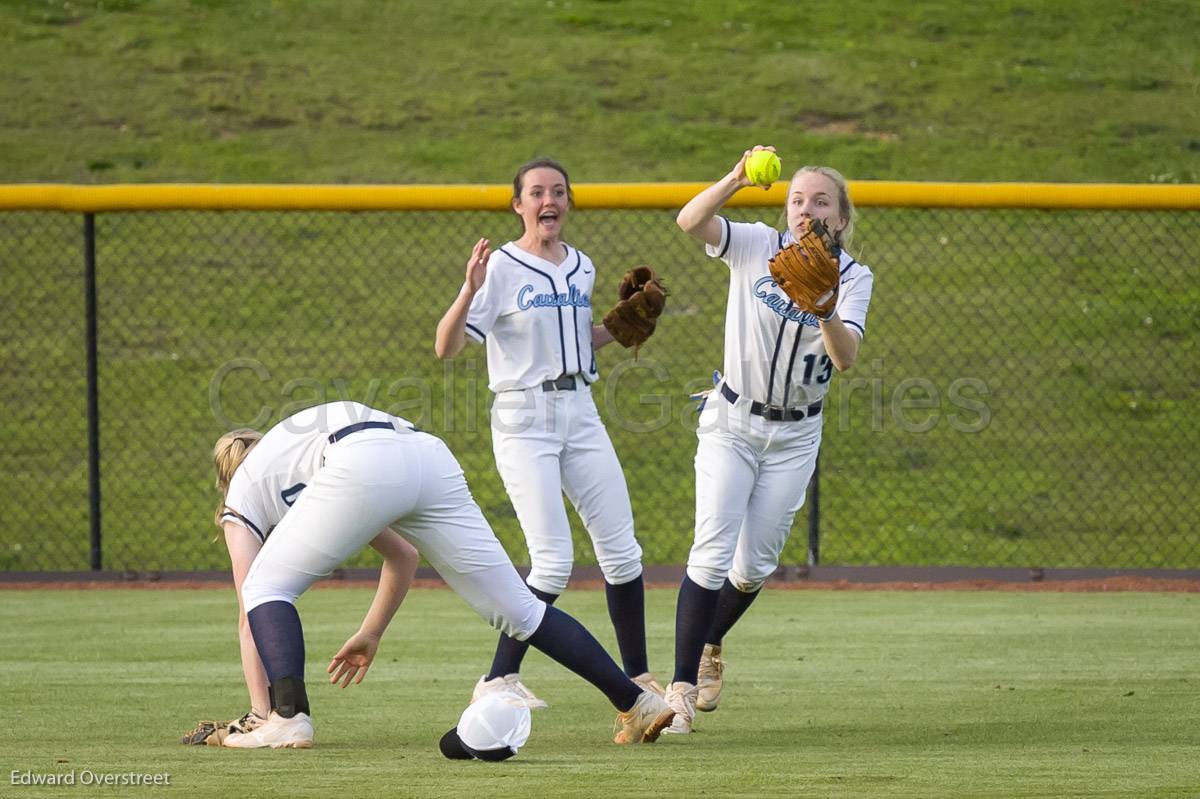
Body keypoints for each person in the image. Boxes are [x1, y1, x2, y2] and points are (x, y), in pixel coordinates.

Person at [208, 400, 673, 748]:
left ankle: (287, 717)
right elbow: (404, 556)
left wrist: (261, 711)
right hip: (425, 454)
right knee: (520, 610)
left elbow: (252, 611)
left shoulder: (243, 495)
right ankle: (637, 701)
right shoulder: (291, 462)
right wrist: (371, 632)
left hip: (359, 459)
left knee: (266, 587)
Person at [435, 158, 663, 708]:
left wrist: (620, 327)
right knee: (553, 559)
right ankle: (497, 679)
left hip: (580, 410)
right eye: (535, 192)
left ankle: (640, 681)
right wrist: (469, 289)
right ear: (518, 206)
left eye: (557, 191)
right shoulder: (501, 269)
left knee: (622, 551)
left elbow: (576, 342)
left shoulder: (580, 266)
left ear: (568, 203)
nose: (547, 200)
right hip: (523, 418)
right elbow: (446, 345)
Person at [662, 147, 875, 734]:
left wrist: (825, 303)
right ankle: (678, 693)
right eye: (798, 199)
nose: (807, 209)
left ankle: (709, 643)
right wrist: (734, 177)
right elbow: (689, 221)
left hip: (796, 434)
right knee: (710, 551)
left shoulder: (855, 278)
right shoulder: (757, 244)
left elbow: (846, 356)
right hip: (732, 420)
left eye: (821, 201)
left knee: (753, 566)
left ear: (842, 216)